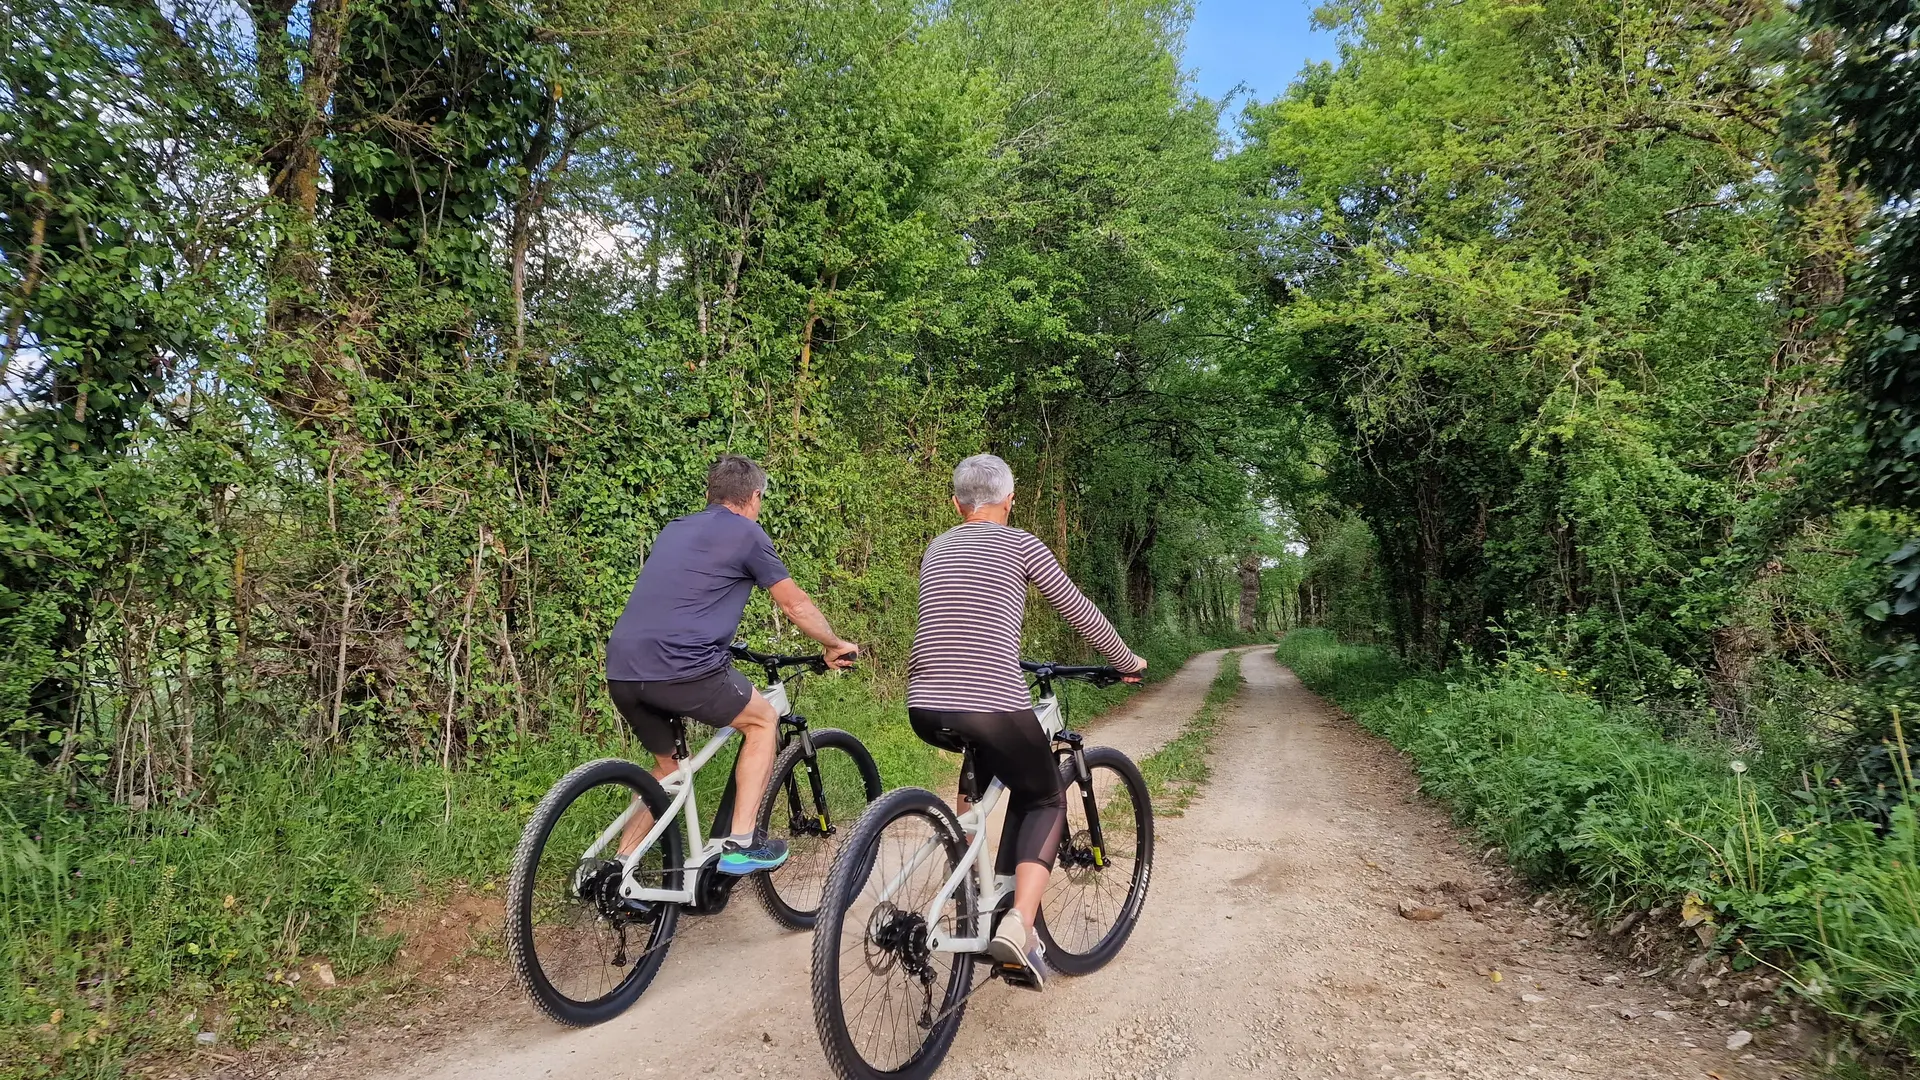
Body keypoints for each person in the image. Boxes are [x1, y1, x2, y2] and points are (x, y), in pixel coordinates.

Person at [907, 453, 1146, 989]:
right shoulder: (1020, 544)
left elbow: (959, 615)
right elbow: (1077, 610)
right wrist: (1126, 661)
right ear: (1010, 502)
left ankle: (974, 885)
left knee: (995, 764)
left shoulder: (938, 546)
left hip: (923, 703)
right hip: (991, 699)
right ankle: (1019, 925)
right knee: (1043, 794)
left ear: (957, 505)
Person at [606, 454, 858, 875]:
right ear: (755, 496)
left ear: (711, 493)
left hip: (623, 666)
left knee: (669, 766)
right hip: (684, 666)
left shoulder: (674, 529)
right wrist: (833, 644)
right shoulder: (748, 533)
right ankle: (740, 844)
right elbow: (795, 605)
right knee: (762, 721)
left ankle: (619, 866)